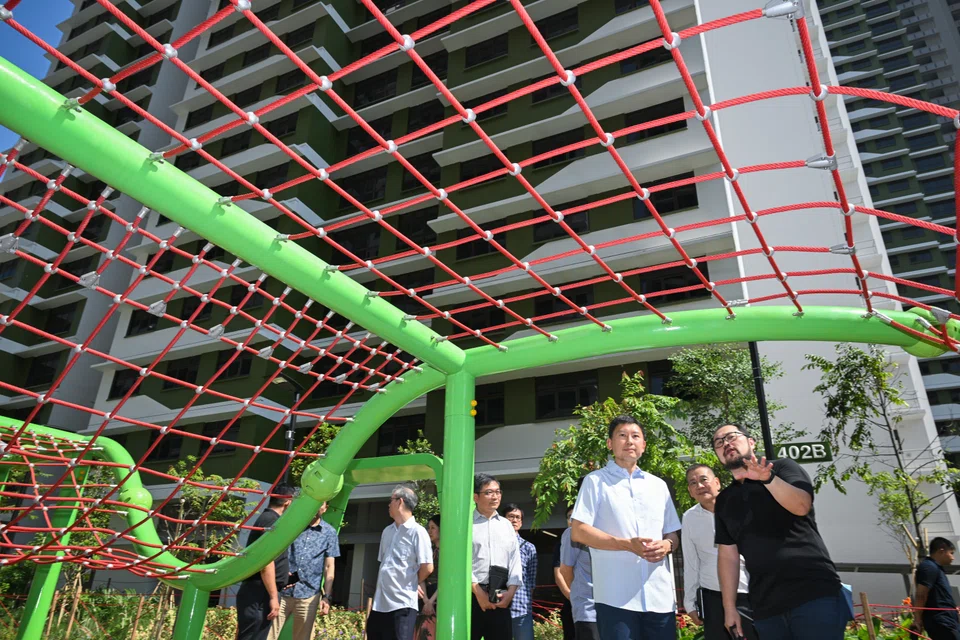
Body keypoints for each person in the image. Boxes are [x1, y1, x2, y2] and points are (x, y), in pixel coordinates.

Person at [712, 424, 852, 640]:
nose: (726, 444)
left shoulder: (782, 468)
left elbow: (801, 505)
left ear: (751, 442)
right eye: (719, 443)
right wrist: (729, 607)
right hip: (765, 606)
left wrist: (768, 479)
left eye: (731, 437)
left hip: (814, 592)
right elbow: (727, 555)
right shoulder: (723, 501)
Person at [571, 414, 681, 640]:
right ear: (610, 444)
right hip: (615, 598)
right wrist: (626, 545)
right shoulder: (595, 481)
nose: (629, 441)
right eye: (622, 435)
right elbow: (579, 531)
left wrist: (668, 544)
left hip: (659, 597)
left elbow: (672, 532)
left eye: (635, 436)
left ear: (644, 445)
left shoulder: (658, 485)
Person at [681, 464, 757, 640]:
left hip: (749, 592)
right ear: (690, 491)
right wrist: (689, 601)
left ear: (717, 482)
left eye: (703, 480)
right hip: (712, 596)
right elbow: (691, 562)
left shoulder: (740, 508)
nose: (699, 486)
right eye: (693, 483)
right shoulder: (689, 518)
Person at [369, 486, 434, 640]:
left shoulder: (418, 532)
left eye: (391, 501)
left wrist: (411, 581)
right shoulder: (387, 531)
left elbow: (428, 567)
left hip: (402, 604)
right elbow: (384, 565)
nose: (388, 505)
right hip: (380, 604)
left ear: (400, 502)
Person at [236, 484, 296, 640]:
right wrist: (273, 596)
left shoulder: (269, 519)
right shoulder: (270, 521)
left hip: (260, 591)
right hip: (259, 593)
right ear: (288, 502)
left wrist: (283, 574)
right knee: (252, 635)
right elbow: (265, 562)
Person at [277, 501, 339, 640]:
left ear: (325, 508)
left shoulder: (329, 532)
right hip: (282, 592)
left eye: (321, 504)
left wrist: (326, 596)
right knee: (268, 634)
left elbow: (329, 566)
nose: (316, 506)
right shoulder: (293, 526)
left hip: (309, 594)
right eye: (315, 502)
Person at [472, 473, 523, 640]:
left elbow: (515, 560)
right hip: (472, 596)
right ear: (475, 497)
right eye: (489, 492)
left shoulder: (506, 525)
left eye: (498, 491)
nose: (495, 496)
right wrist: (477, 591)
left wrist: (511, 592)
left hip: (501, 595)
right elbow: (460, 562)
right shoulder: (465, 524)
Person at [560, 480, 598, 640]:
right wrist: (578, 593)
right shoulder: (572, 533)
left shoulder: (611, 526)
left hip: (615, 608)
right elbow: (565, 570)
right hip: (588, 611)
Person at [913, 537, 960, 640]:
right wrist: (917, 620)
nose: (953, 558)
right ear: (941, 551)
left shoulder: (936, 568)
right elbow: (921, 594)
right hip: (940, 620)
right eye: (951, 553)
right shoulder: (929, 567)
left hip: (947, 619)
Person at [504, 504, 538, 640]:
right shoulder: (494, 544)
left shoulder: (529, 548)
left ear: (522, 522)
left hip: (521, 608)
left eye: (518, 517)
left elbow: (531, 581)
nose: (514, 520)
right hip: (498, 608)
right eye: (510, 517)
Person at [414, 514, 441, 640]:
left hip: (440, 596)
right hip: (424, 596)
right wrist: (426, 600)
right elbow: (422, 576)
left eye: (433, 528)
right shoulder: (428, 551)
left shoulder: (448, 552)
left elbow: (446, 580)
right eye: (428, 528)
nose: (429, 531)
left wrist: (431, 601)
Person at [554, 506, 576, 640]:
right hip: (571, 602)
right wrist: (572, 596)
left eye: (575, 517)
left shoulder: (593, 542)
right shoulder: (562, 543)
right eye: (569, 517)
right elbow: (559, 573)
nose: (572, 520)